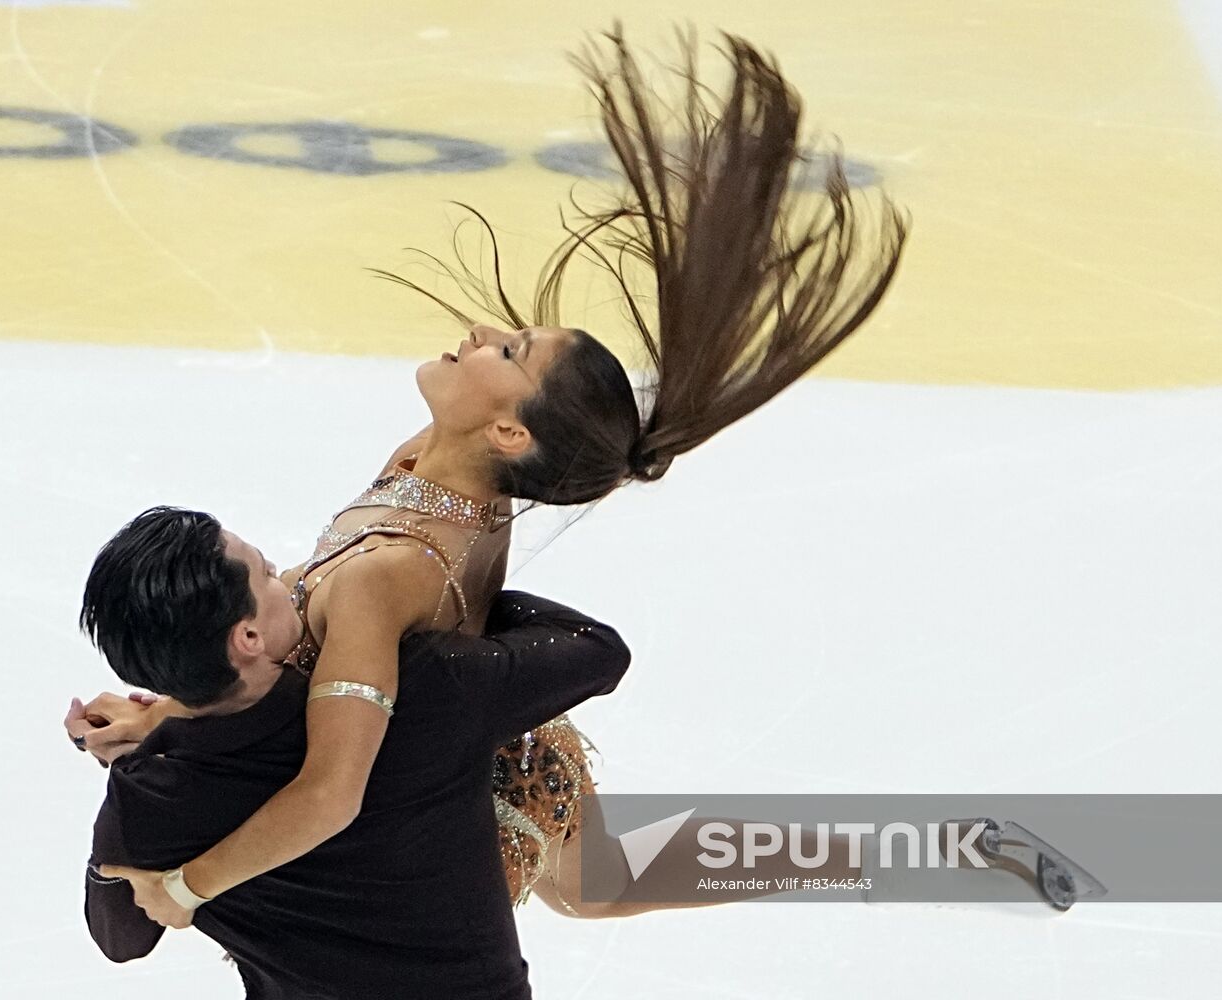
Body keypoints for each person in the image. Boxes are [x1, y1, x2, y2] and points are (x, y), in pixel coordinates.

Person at [70, 25, 912, 923]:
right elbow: (285, 641)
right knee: (603, 886)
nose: (477, 331)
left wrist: (188, 891)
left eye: (507, 350)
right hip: (507, 752)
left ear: (509, 428)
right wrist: (172, 710)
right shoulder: (429, 465)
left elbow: (330, 792)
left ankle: (874, 854)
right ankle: (880, 854)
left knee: (592, 887)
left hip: (478, 803)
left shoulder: (390, 571)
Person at [77, 506, 630, 999]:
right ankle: (722, 848)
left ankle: (721, 849)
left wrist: (155, 749)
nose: (295, 579)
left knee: (593, 870)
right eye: (272, 573)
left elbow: (119, 938)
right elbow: (595, 648)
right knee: (596, 867)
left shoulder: (152, 797)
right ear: (247, 639)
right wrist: (393, 601)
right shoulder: (425, 685)